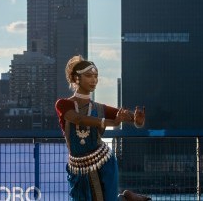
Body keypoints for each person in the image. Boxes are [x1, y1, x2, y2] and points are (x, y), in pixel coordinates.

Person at [55, 56, 150, 201]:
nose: (94, 80)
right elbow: (77, 118)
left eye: (96, 76)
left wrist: (138, 120)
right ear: (76, 78)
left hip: (103, 162)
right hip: (77, 167)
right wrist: (112, 122)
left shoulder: (100, 108)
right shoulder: (63, 104)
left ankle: (126, 198)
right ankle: (127, 198)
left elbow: (130, 118)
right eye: (89, 76)